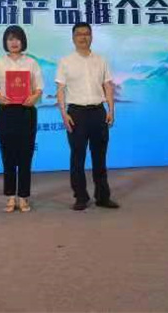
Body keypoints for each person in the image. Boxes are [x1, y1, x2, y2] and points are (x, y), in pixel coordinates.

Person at [55, 22, 120, 211]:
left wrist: (111, 110)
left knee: (100, 157)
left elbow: (108, 86)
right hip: (76, 114)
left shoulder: (101, 60)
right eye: (79, 34)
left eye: (86, 33)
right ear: (73, 38)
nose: (83, 37)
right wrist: (63, 114)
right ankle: (80, 197)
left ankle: (103, 196)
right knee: (78, 157)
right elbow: (60, 89)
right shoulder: (65, 61)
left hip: (98, 112)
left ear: (91, 37)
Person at [0, 25, 43, 213]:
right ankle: (11, 196)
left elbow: (39, 88)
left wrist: (34, 97)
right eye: (10, 39)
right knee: (8, 155)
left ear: (23, 41)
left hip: (26, 112)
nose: (14, 42)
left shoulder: (32, 63)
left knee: (26, 155)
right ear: (5, 41)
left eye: (17, 38)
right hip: (6, 112)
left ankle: (24, 197)